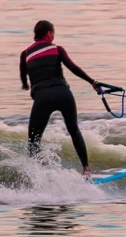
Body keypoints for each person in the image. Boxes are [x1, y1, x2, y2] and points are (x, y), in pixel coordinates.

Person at [19, 20, 104, 172]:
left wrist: (28, 85)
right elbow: (72, 67)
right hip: (63, 94)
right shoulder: (57, 49)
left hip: (42, 98)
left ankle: (35, 176)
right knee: (73, 130)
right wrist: (92, 82)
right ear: (49, 33)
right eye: (53, 33)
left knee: (34, 140)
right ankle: (86, 168)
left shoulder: (25, 54)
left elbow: (24, 80)